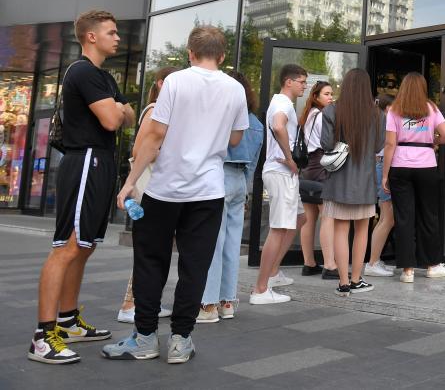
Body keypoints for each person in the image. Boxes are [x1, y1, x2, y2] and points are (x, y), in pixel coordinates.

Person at [103, 26, 248, 364]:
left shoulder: (176, 82)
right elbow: (236, 139)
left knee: (150, 262)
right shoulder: (235, 89)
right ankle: (181, 340)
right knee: (195, 266)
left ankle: (145, 338)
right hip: (208, 191)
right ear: (222, 55)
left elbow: (154, 136)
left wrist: (129, 182)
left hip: (165, 189)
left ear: (190, 52)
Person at [29, 10, 135, 365]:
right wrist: (117, 109)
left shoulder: (103, 76)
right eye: (111, 32)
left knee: (84, 246)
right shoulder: (83, 72)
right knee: (67, 246)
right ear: (91, 36)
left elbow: (129, 115)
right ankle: (42, 337)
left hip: (99, 162)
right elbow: (113, 119)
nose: (118, 37)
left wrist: (118, 109)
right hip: (86, 160)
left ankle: (68, 321)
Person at [197, 71, 265, 323]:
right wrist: (245, 190)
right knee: (232, 244)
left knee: (214, 242)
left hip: (219, 177)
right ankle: (227, 302)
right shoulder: (255, 123)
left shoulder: (221, 116)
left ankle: (208, 304)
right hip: (240, 181)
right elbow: (254, 162)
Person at [117, 67, 178, 324]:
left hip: (157, 187)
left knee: (156, 247)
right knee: (150, 248)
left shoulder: (163, 110)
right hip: (150, 186)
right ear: (162, 84)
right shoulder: (154, 110)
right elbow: (140, 150)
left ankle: (145, 301)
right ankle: (130, 304)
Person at [381, 72, 445, 283]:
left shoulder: (394, 110)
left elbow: (390, 144)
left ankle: (407, 271)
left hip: (400, 166)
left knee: (404, 218)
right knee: (428, 215)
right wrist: (432, 141)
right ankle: (432, 266)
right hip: (426, 165)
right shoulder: (431, 108)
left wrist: (385, 174)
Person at [320, 68, 386, 295]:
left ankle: (343, 282)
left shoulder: (331, 110)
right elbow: (379, 146)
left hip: (338, 181)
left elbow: (326, 144)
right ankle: (356, 280)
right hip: (364, 182)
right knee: (362, 230)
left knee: (340, 229)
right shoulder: (377, 114)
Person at [251, 64, 308, 304]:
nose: (305, 86)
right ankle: (261, 289)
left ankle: (273, 272)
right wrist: (289, 157)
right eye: (302, 81)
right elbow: (277, 125)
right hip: (281, 172)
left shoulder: (280, 101)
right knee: (279, 227)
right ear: (288, 82)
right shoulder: (283, 103)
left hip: (282, 173)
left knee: (300, 218)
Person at [298, 81, 336, 278]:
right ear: (316, 96)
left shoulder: (308, 115)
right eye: (327, 94)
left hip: (308, 167)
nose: (331, 97)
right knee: (327, 216)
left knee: (309, 217)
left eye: (331, 94)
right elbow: (328, 143)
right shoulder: (322, 116)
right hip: (321, 166)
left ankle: (309, 263)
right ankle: (329, 265)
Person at [365, 94, 397, 276]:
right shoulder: (385, 121)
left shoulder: (376, 120)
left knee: (386, 218)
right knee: (387, 218)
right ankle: (372, 262)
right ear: (388, 107)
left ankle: (374, 260)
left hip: (380, 165)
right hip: (384, 166)